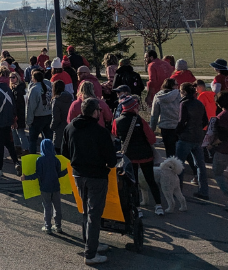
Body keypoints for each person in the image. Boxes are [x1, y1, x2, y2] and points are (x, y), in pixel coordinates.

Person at [63, 98, 117, 265]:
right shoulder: (100, 132)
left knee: (86, 211)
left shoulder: (70, 127)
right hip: (96, 176)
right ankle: (91, 253)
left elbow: (65, 152)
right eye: (99, 111)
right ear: (95, 112)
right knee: (94, 214)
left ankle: (91, 243)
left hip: (78, 174)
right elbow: (112, 160)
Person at [112, 95, 164, 216]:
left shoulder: (117, 121)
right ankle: (158, 206)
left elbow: (115, 135)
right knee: (150, 180)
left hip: (129, 157)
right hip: (145, 155)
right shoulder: (140, 120)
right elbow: (152, 139)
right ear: (133, 108)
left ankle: (137, 209)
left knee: (133, 183)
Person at [21, 138, 67, 233]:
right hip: (55, 187)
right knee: (57, 207)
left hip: (45, 187)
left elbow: (38, 174)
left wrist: (26, 178)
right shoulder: (56, 159)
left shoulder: (40, 160)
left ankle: (48, 227)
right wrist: (67, 170)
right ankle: (58, 226)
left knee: (47, 207)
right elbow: (59, 174)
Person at [175, 82, 209, 199]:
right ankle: (204, 190)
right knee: (200, 165)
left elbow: (181, 121)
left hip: (185, 138)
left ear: (183, 92)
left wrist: (178, 132)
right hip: (198, 136)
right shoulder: (199, 103)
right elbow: (205, 120)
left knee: (179, 165)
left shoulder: (184, 104)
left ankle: (178, 190)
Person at [150, 78, 181, 157]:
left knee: (169, 149)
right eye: (176, 84)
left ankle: (170, 165)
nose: (178, 86)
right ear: (173, 86)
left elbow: (154, 114)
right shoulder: (179, 95)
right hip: (178, 125)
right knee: (181, 148)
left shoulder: (158, 96)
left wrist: (152, 129)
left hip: (165, 126)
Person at [26, 70, 53, 153]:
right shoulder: (48, 87)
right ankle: (49, 156)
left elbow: (31, 107)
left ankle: (33, 158)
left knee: (33, 140)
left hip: (37, 118)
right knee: (48, 140)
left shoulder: (34, 89)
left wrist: (29, 121)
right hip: (48, 115)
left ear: (34, 78)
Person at [50, 80, 74, 155]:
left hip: (59, 129)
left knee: (58, 152)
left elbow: (56, 118)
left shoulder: (56, 101)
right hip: (69, 127)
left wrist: (52, 127)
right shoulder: (70, 98)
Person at [10, 71, 30, 153]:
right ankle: (17, 147)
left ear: (17, 78)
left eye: (13, 77)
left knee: (20, 132)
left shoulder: (19, 90)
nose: (11, 79)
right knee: (14, 131)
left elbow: (18, 104)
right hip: (16, 114)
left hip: (19, 114)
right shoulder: (14, 88)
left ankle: (26, 149)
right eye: (10, 77)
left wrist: (15, 117)